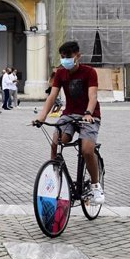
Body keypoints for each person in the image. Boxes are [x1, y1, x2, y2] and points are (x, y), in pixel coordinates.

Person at [33, 40, 104, 205]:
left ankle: (95, 185)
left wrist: (88, 113)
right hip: (69, 115)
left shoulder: (89, 72)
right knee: (56, 142)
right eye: (62, 57)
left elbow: (93, 96)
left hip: (90, 115)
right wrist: (42, 117)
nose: (65, 60)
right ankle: (56, 177)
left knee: (87, 150)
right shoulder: (60, 73)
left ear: (78, 56)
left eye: (68, 56)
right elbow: (52, 96)